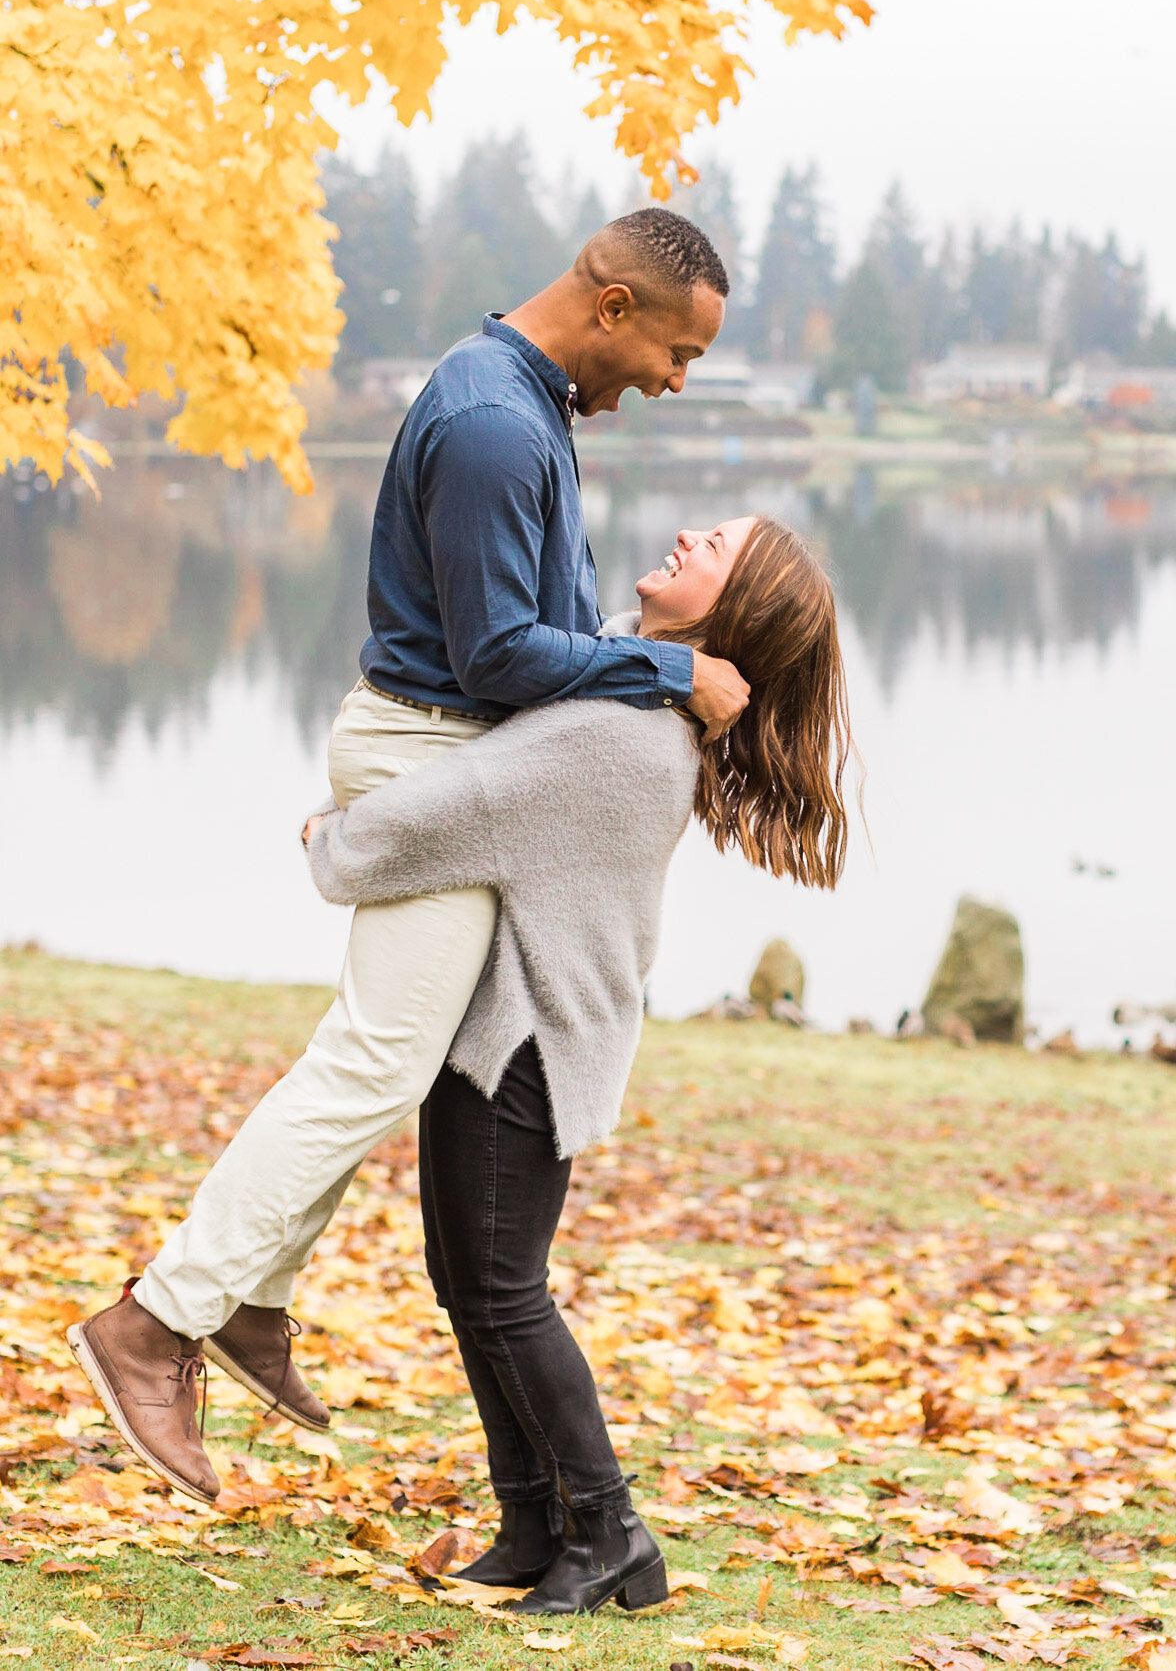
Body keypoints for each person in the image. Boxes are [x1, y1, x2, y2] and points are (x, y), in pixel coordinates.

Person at [66, 210, 750, 1505]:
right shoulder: (498, 422)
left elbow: (529, 632)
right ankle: (156, 1322)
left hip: (448, 756)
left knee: (389, 1048)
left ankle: (253, 1302)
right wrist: (669, 663)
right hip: (437, 752)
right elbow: (496, 656)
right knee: (375, 1055)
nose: (675, 380)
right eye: (677, 348)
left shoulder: (522, 399)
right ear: (613, 305)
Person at [301, 514, 853, 1613]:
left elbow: (462, 806)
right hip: (508, 1022)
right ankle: (533, 1520)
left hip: (532, 1038)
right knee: (468, 1282)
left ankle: (613, 1534)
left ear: (728, 613)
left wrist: (334, 833)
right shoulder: (633, 694)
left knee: (504, 1292)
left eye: (718, 547)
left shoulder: (625, 738)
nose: (690, 532)